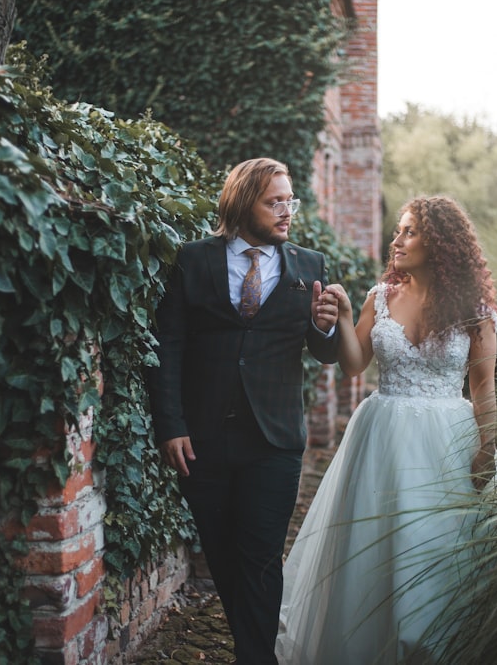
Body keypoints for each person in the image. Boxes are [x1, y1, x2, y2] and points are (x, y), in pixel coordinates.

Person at [276, 195, 497, 664]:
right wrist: (342, 318)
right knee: (374, 551)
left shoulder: (474, 309)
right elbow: (354, 366)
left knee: (441, 551)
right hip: (382, 436)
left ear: (439, 244)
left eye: (409, 232)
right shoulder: (380, 298)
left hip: (449, 441)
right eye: (398, 230)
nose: (396, 241)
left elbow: (484, 387)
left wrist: (487, 447)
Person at [146, 157, 341, 664]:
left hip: (274, 439)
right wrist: (170, 424)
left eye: (289, 200)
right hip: (202, 438)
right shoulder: (193, 259)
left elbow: (325, 352)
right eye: (274, 201)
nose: (286, 211)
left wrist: (325, 326)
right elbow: (169, 346)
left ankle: (256, 658)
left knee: (259, 558)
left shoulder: (310, 266)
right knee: (222, 554)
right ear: (242, 202)